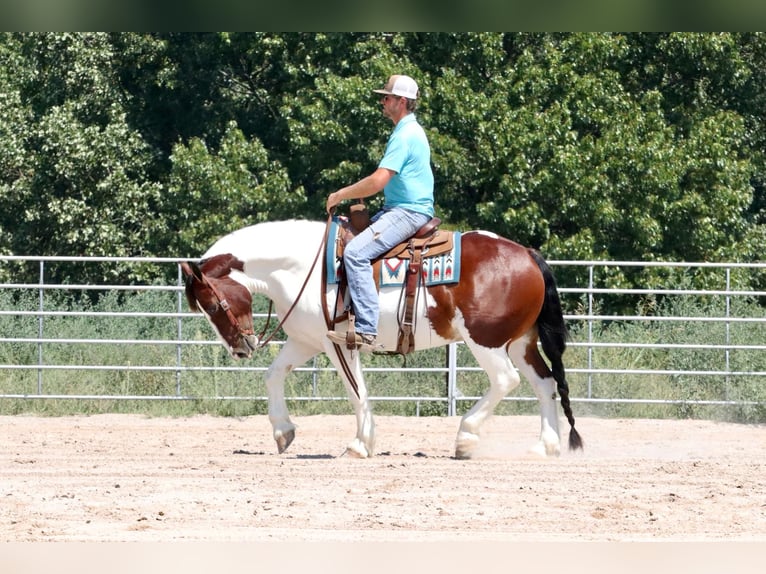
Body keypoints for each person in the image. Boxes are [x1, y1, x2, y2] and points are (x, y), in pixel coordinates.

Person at [326, 74, 435, 353]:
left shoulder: (405, 135)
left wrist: (341, 194)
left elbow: (378, 181)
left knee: (354, 253)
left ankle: (365, 329)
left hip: (407, 212)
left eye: (386, 97)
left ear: (401, 101)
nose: (382, 101)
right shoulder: (409, 131)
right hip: (402, 209)